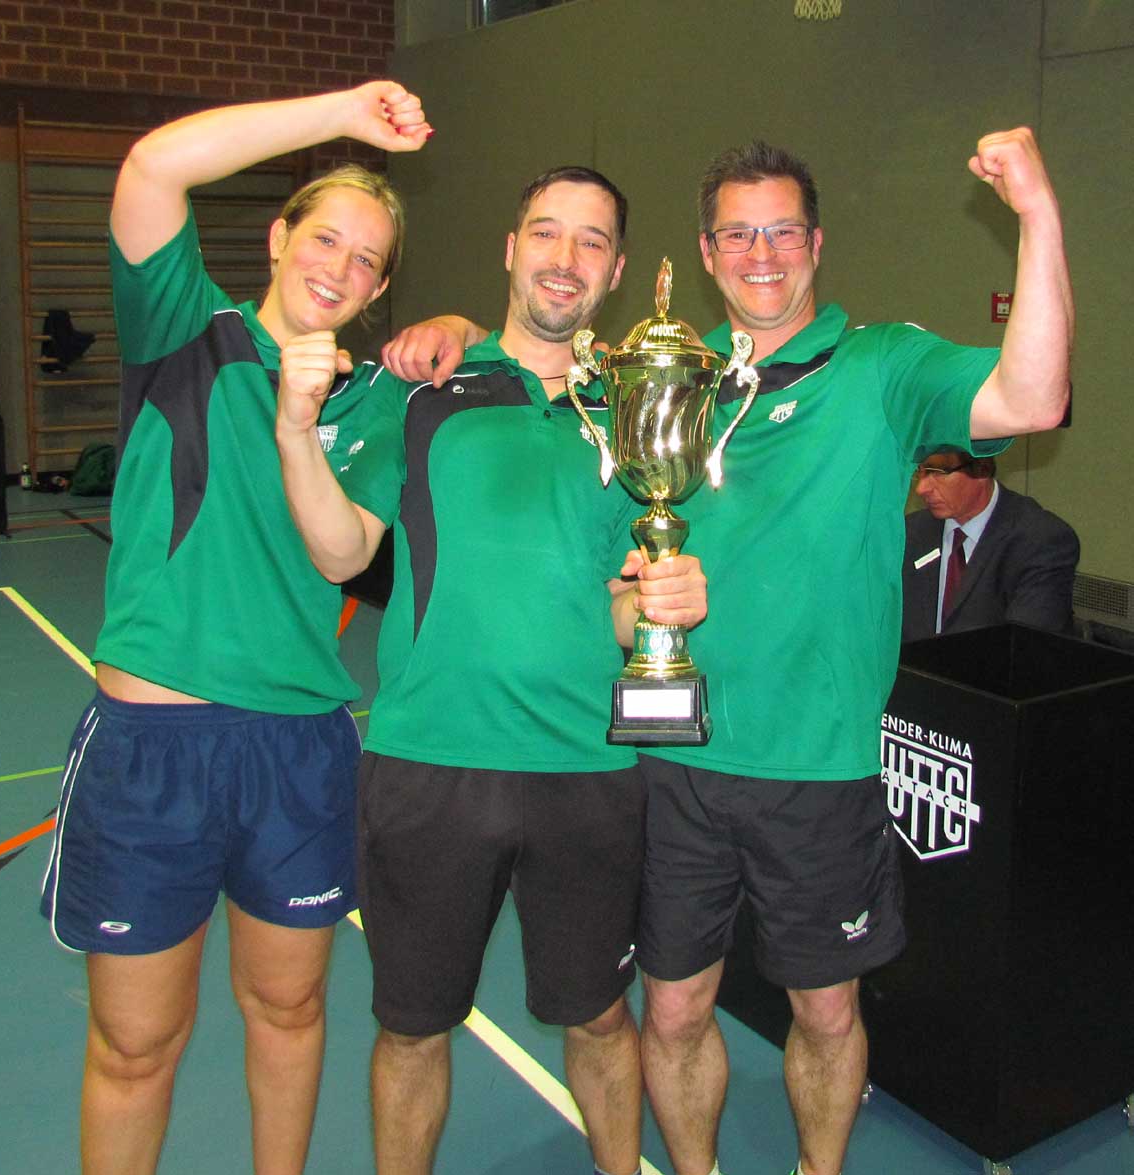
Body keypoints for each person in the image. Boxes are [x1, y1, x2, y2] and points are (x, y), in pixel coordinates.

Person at [382, 127, 1073, 1175]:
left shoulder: (878, 364)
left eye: (782, 232)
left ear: (815, 244)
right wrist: (448, 328)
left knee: (825, 1009)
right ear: (705, 253)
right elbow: (538, 350)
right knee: (670, 1010)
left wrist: (1035, 213)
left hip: (817, 765)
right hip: (671, 761)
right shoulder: (664, 377)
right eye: (738, 234)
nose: (762, 253)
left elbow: (1033, 399)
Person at [276, 165, 707, 1175]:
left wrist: (659, 601)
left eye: (592, 241)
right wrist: (296, 432)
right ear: (511, 249)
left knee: (598, 1016)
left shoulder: (630, 409)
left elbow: (615, 602)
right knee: (411, 1027)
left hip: (587, 770)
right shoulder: (424, 386)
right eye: (546, 233)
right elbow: (341, 552)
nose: (565, 258)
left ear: (615, 272)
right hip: (431, 759)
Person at [38, 83, 431, 1175]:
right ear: (277, 237)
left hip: (297, 747)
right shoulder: (185, 332)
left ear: (379, 290)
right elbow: (154, 166)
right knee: (135, 1042)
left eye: (367, 261)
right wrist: (344, 112)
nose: (339, 268)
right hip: (153, 744)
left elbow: (345, 554)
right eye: (325, 238)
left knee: (290, 1009)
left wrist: (302, 421)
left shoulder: (376, 404)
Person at [902, 447, 1079, 640]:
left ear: (981, 469)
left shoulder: (1041, 541)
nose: (921, 489)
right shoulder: (910, 532)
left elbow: (1024, 645)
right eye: (920, 471)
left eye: (938, 473)